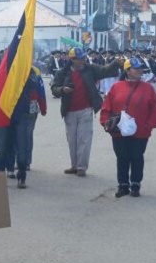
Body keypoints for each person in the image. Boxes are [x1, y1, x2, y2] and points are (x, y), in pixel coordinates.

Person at [51, 47, 122, 177]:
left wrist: (116, 63)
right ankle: (74, 165)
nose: (83, 60)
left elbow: (105, 71)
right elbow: (54, 88)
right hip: (69, 111)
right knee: (72, 140)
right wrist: (62, 90)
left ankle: (81, 167)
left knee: (84, 139)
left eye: (84, 57)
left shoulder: (90, 69)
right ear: (72, 60)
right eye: (80, 58)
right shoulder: (62, 72)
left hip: (86, 109)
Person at [100, 58, 156, 197]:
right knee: (122, 157)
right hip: (119, 131)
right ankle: (123, 185)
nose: (140, 70)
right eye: (136, 68)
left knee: (137, 157)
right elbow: (106, 107)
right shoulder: (116, 87)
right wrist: (105, 122)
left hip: (141, 131)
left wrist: (148, 126)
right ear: (127, 71)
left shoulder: (148, 88)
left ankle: (135, 184)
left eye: (140, 68)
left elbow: (154, 109)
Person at [0, 66, 47, 189]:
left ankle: (22, 174)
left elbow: (35, 86)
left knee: (22, 145)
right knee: (2, 146)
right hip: (4, 112)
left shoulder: (29, 71)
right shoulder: (1, 70)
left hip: (22, 113)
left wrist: (23, 72)